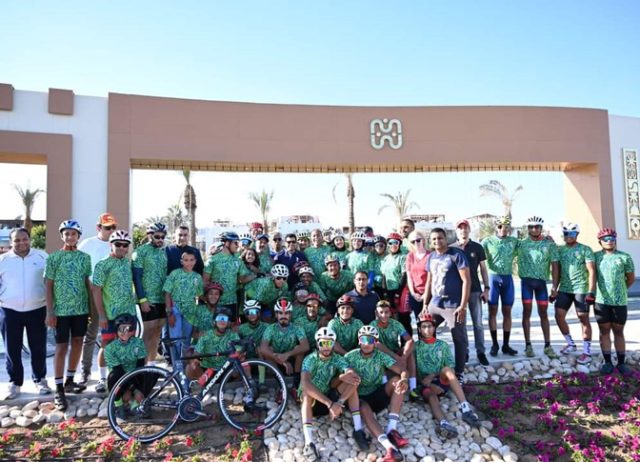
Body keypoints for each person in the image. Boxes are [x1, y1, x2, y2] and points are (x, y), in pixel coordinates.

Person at [45, 220, 92, 410]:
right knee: (61, 347)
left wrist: (90, 309)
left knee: (78, 343)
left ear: (78, 236)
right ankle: (58, 388)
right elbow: (48, 285)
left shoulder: (85, 258)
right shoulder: (54, 258)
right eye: (67, 234)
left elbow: (87, 284)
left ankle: (70, 380)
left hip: (80, 310)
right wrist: (50, 311)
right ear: (62, 235)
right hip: (61, 311)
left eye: (73, 234)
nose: (70, 237)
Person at [299, 327, 364, 461]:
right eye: (323, 343)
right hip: (315, 402)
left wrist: (339, 402)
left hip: (330, 396)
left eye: (329, 343)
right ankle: (309, 442)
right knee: (307, 392)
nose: (326, 347)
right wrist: (330, 404)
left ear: (333, 344)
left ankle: (358, 429)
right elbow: (305, 383)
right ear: (318, 344)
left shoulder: (337, 358)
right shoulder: (309, 359)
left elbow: (353, 375)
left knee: (354, 380)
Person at [0, 227, 51, 399]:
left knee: (38, 347)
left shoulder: (42, 257)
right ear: (11, 242)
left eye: (24, 239)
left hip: (37, 309)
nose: (21, 243)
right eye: (17, 240)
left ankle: (40, 380)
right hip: (9, 310)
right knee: (12, 348)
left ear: (30, 239)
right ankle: (15, 383)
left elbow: (51, 283)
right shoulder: (3, 260)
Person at [345, 325, 408, 462]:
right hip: (359, 397)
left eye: (371, 340)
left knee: (396, 380)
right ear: (359, 341)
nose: (367, 344)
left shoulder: (380, 355)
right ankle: (389, 447)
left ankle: (392, 429)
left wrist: (404, 379)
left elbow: (402, 369)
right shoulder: (350, 356)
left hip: (376, 392)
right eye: (364, 340)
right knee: (364, 408)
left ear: (376, 342)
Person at [414, 313, 480, 439]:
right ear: (419, 329)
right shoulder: (416, 347)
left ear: (434, 328)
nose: (427, 330)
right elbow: (413, 370)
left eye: (430, 326)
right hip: (426, 384)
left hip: (440, 379)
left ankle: (465, 408)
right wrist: (425, 383)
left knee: (447, 370)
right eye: (424, 327)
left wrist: (434, 376)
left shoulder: (442, 345)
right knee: (431, 397)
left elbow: (450, 365)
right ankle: (444, 423)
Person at [92, 230, 138, 394]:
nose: (121, 247)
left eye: (125, 245)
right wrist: (102, 315)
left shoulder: (127, 263)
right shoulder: (102, 264)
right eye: (117, 244)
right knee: (107, 346)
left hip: (128, 314)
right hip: (111, 315)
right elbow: (96, 290)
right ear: (111, 245)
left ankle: (123, 378)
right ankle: (102, 378)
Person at [422, 227, 471, 381]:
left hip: (453, 305)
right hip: (435, 304)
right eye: (434, 239)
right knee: (427, 334)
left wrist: (462, 306)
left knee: (459, 338)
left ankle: (459, 372)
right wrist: (425, 304)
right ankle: (432, 368)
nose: (437, 241)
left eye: (440, 238)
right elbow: (429, 281)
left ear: (446, 239)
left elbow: (466, 281)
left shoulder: (456, 254)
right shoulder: (431, 257)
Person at [77, 213, 118, 386]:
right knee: (91, 333)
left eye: (113, 227)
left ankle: (113, 370)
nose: (111, 231)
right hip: (93, 292)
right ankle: (85, 372)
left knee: (113, 335)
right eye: (107, 227)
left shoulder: (117, 245)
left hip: (112, 295)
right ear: (98, 228)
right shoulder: (87, 244)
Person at [593, 228, 635, 375]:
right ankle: (608, 362)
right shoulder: (595, 257)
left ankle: (621, 363)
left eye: (611, 238)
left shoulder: (625, 257)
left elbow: (630, 279)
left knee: (618, 331)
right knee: (604, 331)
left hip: (619, 301)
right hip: (601, 300)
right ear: (600, 241)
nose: (609, 241)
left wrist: (620, 289)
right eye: (605, 238)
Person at [553, 223, 596, 364]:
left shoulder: (585, 249)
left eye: (571, 234)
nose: (568, 237)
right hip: (565, 288)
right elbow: (557, 271)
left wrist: (591, 291)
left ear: (577, 234)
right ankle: (571, 344)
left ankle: (586, 351)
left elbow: (592, 271)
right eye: (566, 234)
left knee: (583, 318)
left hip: (581, 289)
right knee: (559, 316)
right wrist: (554, 288)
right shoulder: (560, 250)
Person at [517, 216, 559, 358]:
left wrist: (554, 286)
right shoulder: (521, 244)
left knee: (544, 314)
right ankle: (528, 345)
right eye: (531, 227)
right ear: (527, 228)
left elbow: (555, 266)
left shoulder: (549, 245)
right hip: (526, 283)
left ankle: (548, 345)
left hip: (541, 284)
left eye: (537, 227)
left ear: (541, 228)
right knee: (526, 313)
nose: (534, 229)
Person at [451, 219, 491, 366]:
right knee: (461, 324)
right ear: (456, 231)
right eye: (460, 228)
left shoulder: (477, 247)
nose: (463, 230)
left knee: (478, 324)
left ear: (469, 230)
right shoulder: (451, 249)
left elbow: (483, 269)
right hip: (458, 293)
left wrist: (486, 288)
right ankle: (465, 352)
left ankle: (481, 352)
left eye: (465, 228)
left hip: (475, 290)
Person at [481, 216, 519, 356]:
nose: (503, 229)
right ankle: (495, 344)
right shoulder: (487, 241)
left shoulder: (514, 241)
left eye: (506, 227)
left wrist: (547, 239)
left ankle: (506, 345)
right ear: (495, 227)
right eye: (500, 226)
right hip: (493, 278)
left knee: (507, 312)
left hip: (508, 279)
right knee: (492, 312)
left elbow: (529, 244)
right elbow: (479, 260)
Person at [132, 222, 168, 363]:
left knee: (157, 333)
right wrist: (142, 299)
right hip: (148, 299)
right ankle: (142, 367)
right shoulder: (140, 252)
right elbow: (136, 277)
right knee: (147, 334)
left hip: (162, 299)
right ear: (149, 236)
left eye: (162, 236)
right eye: (157, 236)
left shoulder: (162, 252)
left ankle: (152, 366)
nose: (160, 239)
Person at [259, 299, 310, 391]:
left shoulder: (297, 327)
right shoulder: (271, 328)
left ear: (290, 315)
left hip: (292, 362)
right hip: (276, 361)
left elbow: (306, 346)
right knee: (267, 350)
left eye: (286, 313)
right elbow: (262, 348)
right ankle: (280, 383)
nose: (283, 316)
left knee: (299, 348)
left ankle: (296, 380)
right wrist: (282, 361)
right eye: (281, 313)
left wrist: (287, 355)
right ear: (276, 315)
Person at [105, 313, 147, 421]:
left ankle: (135, 404)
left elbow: (140, 366)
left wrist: (136, 388)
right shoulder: (110, 348)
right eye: (122, 329)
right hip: (119, 378)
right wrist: (134, 390)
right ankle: (118, 406)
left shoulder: (139, 343)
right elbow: (119, 371)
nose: (126, 332)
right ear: (116, 330)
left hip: (134, 375)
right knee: (113, 376)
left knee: (149, 373)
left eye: (129, 329)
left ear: (134, 330)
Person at [203, 232, 254, 320]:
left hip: (232, 302)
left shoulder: (237, 261)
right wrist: (208, 302)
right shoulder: (212, 260)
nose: (238, 245)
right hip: (215, 303)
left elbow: (241, 279)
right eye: (235, 243)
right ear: (227, 243)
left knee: (232, 329)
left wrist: (254, 276)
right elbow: (205, 281)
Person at [164, 248, 204, 359]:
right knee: (176, 340)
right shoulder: (174, 274)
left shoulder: (197, 277)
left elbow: (199, 296)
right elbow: (167, 293)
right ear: (181, 261)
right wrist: (169, 312)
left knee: (186, 341)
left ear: (195, 261)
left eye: (191, 260)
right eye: (186, 260)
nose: (189, 262)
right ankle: (176, 367)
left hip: (190, 312)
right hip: (175, 310)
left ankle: (184, 369)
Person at [371, 300, 417, 394]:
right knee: (377, 353)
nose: (384, 315)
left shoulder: (396, 324)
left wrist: (404, 356)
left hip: (395, 351)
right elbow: (376, 343)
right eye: (381, 312)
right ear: (376, 313)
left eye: (386, 312)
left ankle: (413, 387)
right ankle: (383, 386)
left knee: (410, 353)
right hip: (383, 352)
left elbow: (409, 340)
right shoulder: (372, 325)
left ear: (390, 312)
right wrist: (395, 356)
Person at [186, 307, 240, 379]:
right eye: (219, 318)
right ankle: (198, 385)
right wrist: (195, 359)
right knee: (190, 367)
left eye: (225, 319)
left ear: (228, 322)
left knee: (242, 362)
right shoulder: (206, 335)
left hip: (226, 370)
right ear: (214, 321)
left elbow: (239, 350)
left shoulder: (233, 335)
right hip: (208, 371)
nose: (222, 321)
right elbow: (197, 352)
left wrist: (239, 353)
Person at [405, 230, 429, 326]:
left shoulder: (430, 255)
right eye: (413, 241)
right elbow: (409, 276)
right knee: (419, 322)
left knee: (429, 323)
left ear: (423, 240)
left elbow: (432, 278)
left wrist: (425, 295)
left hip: (428, 295)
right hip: (415, 295)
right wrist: (413, 293)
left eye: (418, 240)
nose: (416, 243)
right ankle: (420, 341)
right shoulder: (410, 256)